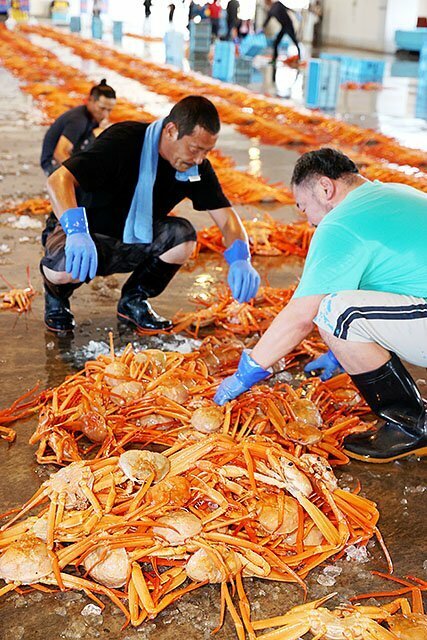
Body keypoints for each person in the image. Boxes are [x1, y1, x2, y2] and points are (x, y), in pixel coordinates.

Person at [214, 148, 427, 463]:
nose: (309, 221)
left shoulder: (340, 223)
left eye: (304, 208)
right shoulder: (394, 193)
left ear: (326, 189)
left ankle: (411, 426)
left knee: (333, 312)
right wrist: (343, 351)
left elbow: (301, 316)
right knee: (341, 313)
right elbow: (386, 282)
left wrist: (248, 370)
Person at [41, 95, 260, 338]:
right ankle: (56, 298)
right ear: (171, 130)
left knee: (183, 236)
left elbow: (226, 216)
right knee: (61, 272)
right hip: (87, 234)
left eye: (206, 151)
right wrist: (76, 232)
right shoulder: (123, 141)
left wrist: (241, 257)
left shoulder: (194, 168)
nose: (199, 159)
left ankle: (134, 300)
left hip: (130, 238)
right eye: (195, 148)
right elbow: (59, 179)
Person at [40, 79, 116, 177]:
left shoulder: (93, 118)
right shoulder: (78, 120)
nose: (105, 114)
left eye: (109, 110)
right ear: (90, 100)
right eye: (102, 108)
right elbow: (59, 154)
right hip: (52, 164)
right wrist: (82, 174)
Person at [261, 0, 300, 64]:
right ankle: (274, 59)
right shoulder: (271, 11)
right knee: (276, 43)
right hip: (283, 27)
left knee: (295, 41)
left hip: (289, 25)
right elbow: (267, 21)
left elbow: (287, 8)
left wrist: (295, 12)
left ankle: (299, 58)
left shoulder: (278, 4)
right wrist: (262, 28)